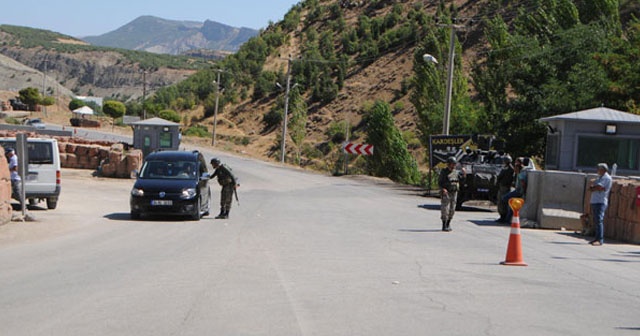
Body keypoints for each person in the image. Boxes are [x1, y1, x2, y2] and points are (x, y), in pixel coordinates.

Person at [438, 157, 465, 232]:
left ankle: (448, 223)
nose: (453, 166)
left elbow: (462, 181)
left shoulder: (456, 172)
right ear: (448, 164)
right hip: (446, 192)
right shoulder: (444, 172)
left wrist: (464, 174)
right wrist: (443, 189)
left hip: (454, 192)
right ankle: (444, 224)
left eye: (454, 164)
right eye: (452, 164)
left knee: (452, 209)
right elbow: (440, 182)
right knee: (445, 208)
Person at [588, 163, 612, 246]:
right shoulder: (599, 178)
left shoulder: (607, 178)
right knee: (596, 220)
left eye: (599, 169)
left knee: (599, 220)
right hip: (595, 200)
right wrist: (593, 188)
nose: (597, 170)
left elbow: (600, 187)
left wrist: (594, 188)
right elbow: (592, 187)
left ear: (603, 169)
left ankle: (600, 239)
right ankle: (596, 238)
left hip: (600, 201)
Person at [501, 157, 528, 223]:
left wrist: (523, 192)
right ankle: (507, 218)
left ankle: (505, 217)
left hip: (518, 192)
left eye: (515, 168)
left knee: (504, 198)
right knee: (510, 205)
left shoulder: (521, 174)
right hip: (518, 190)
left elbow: (523, 183)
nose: (514, 170)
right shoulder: (520, 173)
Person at [495, 155, 514, 223]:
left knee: (502, 202)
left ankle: (503, 216)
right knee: (500, 201)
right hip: (502, 186)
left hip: (505, 187)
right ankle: (502, 216)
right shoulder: (506, 168)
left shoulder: (510, 169)